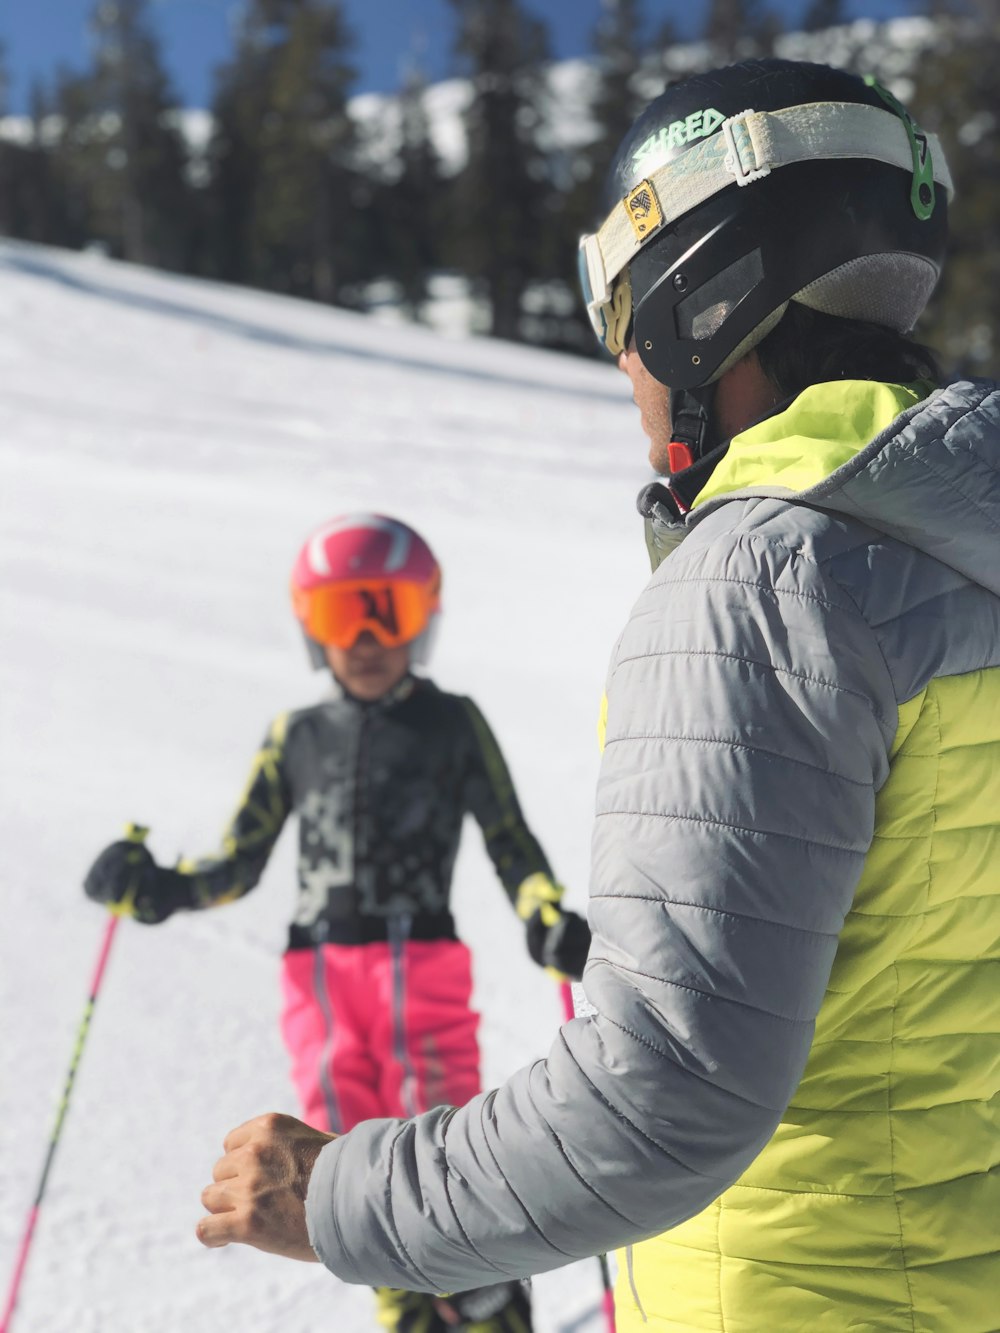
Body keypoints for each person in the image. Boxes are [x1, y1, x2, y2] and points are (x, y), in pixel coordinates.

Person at [195, 60, 1000, 1331]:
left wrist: (343, 1194)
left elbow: (666, 1091)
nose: (621, 356)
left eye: (618, 305)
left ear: (701, 294)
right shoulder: (963, 555)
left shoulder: (762, 581)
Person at [84, 512, 589, 1333]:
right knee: (340, 1158)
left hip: (421, 968)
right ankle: (404, 1305)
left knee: (442, 1146)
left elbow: (510, 839)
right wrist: (161, 889)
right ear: (309, 627)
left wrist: (542, 915)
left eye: (385, 609)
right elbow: (238, 862)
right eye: (339, 614)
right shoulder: (297, 737)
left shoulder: (451, 722)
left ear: (423, 615)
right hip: (318, 983)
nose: (364, 637)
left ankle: (488, 1297)